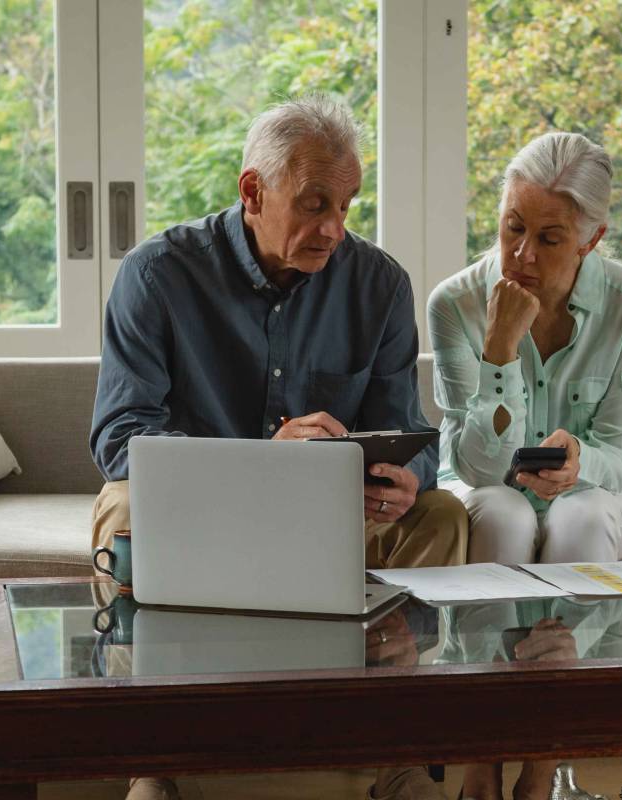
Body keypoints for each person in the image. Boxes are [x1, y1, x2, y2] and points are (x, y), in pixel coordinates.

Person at [88, 95, 465, 800]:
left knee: (442, 517)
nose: (333, 228)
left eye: (348, 205)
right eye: (315, 203)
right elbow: (118, 438)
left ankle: (396, 753)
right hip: (201, 511)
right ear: (252, 192)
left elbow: (408, 428)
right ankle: (157, 758)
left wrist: (405, 475)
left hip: (332, 518)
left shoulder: (379, 285)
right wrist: (263, 458)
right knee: (123, 511)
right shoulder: (157, 275)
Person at [427, 132, 622, 800]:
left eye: (550, 238)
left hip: (602, 493)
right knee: (503, 512)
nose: (523, 255)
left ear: (591, 240)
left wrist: (581, 461)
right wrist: (499, 349)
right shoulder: (454, 304)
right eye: (512, 228)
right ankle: (483, 766)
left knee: (579, 514)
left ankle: (541, 771)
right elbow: (474, 466)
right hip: (489, 489)